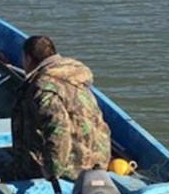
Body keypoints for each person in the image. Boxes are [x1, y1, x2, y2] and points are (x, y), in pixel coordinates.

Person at [11, 36, 111, 181]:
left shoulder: (43, 87)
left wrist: (52, 172)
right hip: (98, 160)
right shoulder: (73, 76)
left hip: (74, 169)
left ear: (28, 58)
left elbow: (58, 129)